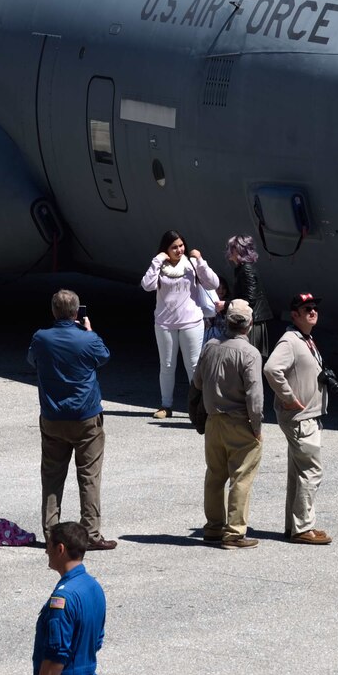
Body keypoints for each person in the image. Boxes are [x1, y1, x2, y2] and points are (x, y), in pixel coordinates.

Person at [27, 289, 116, 550]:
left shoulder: (41, 338)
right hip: (85, 416)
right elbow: (104, 356)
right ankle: (91, 533)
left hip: (53, 415)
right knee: (89, 477)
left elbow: (32, 360)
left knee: (52, 477)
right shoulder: (88, 340)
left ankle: (50, 533)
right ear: (77, 313)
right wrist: (88, 331)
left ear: (53, 311)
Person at [191, 299, 263, 548]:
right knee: (241, 477)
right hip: (239, 422)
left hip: (213, 421)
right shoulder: (249, 353)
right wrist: (257, 427)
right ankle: (234, 532)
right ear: (249, 324)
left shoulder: (210, 346)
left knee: (214, 475)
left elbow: (197, 382)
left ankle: (213, 527)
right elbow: (255, 395)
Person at [264, 292, 331, 544]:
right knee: (312, 471)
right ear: (294, 315)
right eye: (306, 309)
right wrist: (288, 397)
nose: (312, 312)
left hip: (307, 416)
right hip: (300, 417)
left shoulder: (306, 339)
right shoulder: (290, 341)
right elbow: (271, 369)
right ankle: (304, 528)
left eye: (314, 307)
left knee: (298, 472)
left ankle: (294, 526)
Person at [140, 231, 218, 418]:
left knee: (193, 366)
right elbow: (147, 285)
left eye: (181, 245)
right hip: (165, 323)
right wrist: (157, 261)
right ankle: (166, 405)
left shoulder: (191, 264)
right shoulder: (160, 266)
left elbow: (213, 283)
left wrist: (201, 261)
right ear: (165, 249)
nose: (179, 250)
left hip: (192, 322)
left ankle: (200, 407)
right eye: (174, 247)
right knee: (166, 365)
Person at [33, 522, 105, 675]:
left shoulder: (62, 598)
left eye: (48, 545)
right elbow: (97, 640)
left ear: (60, 549)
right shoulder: (94, 587)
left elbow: (55, 657)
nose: (46, 551)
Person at [224, 234, 268, 357]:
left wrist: (226, 305)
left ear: (238, 250)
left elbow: (250, 299)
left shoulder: (246, 269)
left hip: (251, 321)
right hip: (249, 319)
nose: (229, 251)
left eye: (231, 248)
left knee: (247, 357)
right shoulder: (241, 269)